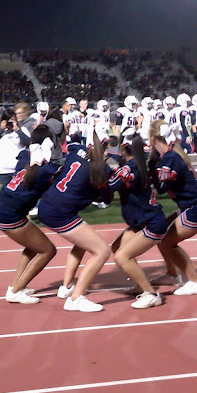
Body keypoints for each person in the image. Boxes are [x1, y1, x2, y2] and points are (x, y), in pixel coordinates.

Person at [37, 129, 113, 312]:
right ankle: (76, 298)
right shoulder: (102, 168)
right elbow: (106, 198)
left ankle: (67, 286)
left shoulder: (75, 150)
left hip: (48, 203)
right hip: (60, 212)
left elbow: (72, 146)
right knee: (102, 251)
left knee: (83, 243)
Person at [0, 125, 62, 304]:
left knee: (33, 246)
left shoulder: (24, 156)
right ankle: (16, 290)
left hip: (0, 205)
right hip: (9, 213)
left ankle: (16, 285)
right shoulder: (48, 170)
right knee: (48, 250)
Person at [148, 119, 197, 295]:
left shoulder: (170, 158)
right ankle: (172, 274)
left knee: (167, 241)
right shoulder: (171, 155)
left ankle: (196, 281)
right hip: (193, 204)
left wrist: (149, 166)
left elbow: (161, 188)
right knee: (160, 231)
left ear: (153, 139)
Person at [109, 133, 167, 309]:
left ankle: (151, 294)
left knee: (122, 256)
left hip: (151, 222)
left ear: (123, 149)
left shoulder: (129, 168)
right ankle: (141, 285)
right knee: (117, 248)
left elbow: (109, 185)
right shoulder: (140, 163)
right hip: (143, 220)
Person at [0, 103, 35, 185]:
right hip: (2, 168)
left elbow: (28, 143)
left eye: (12, 120)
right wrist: (1, 129)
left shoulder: (22, 129)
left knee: (19, 192)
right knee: (7, 192)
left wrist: (17, 130)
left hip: (18, 168)